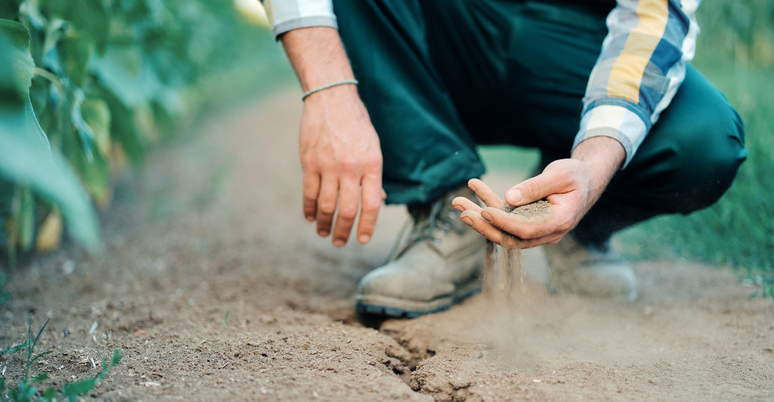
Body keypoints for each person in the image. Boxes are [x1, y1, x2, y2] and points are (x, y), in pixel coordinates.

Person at [260, 0, 746, 317]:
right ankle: (444, 206)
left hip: (572, 39)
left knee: (704, 141)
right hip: (439, 26)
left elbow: (653, 18)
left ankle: (576, 220)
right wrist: (330, 92)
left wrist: (593, 167)